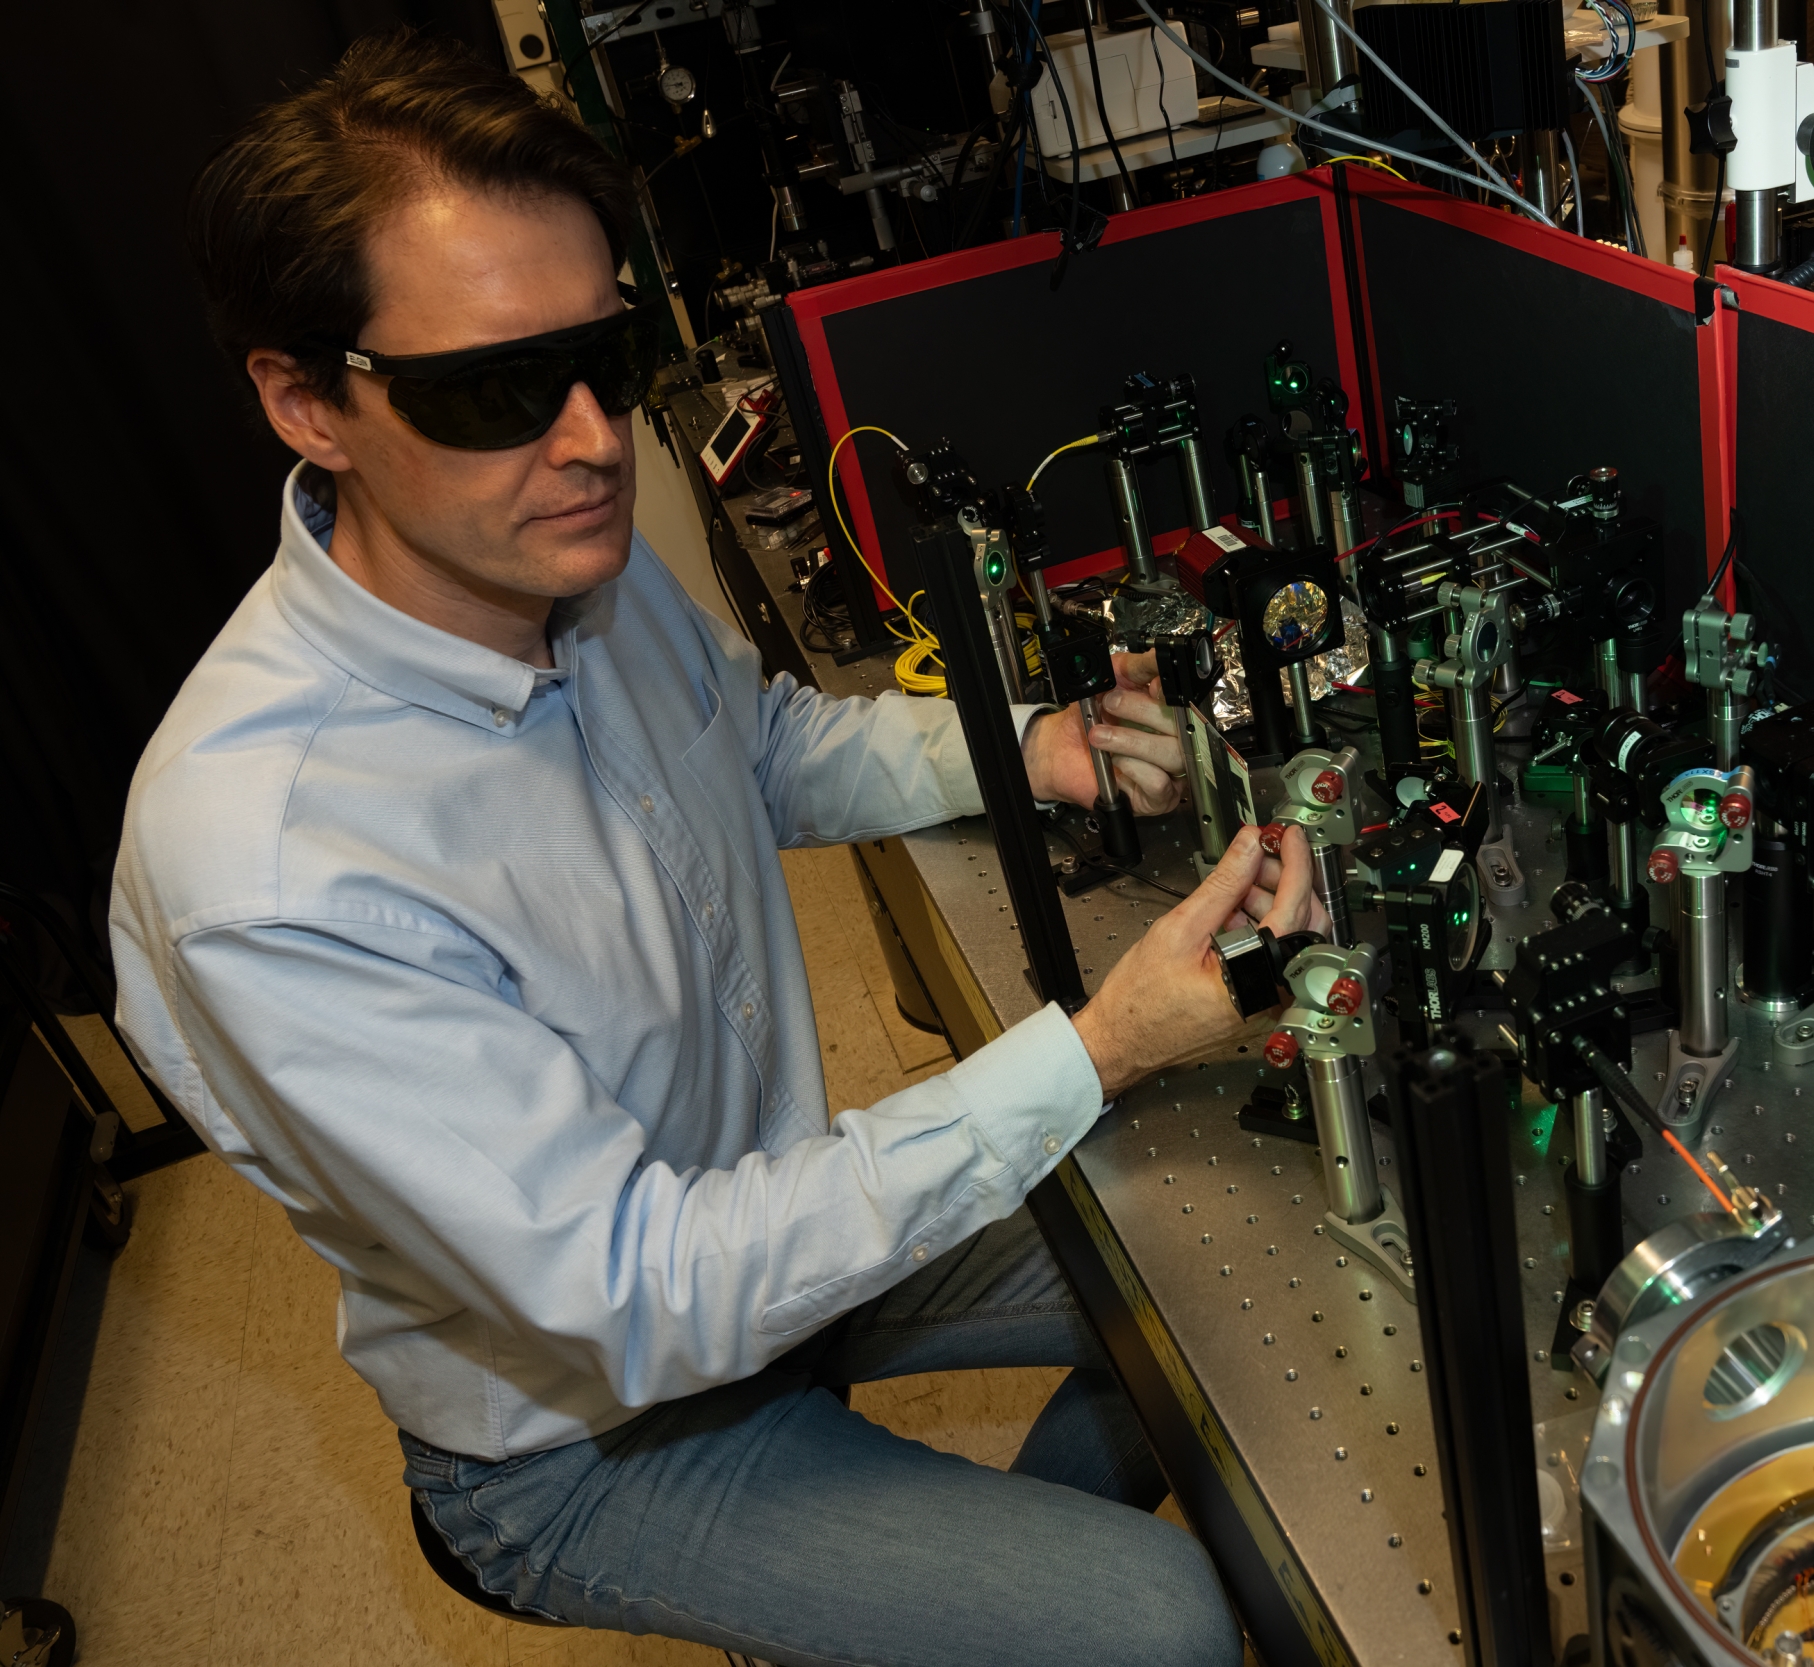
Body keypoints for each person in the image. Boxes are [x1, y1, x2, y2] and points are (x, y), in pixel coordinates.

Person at [109, 32, 1321, 1667]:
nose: (596, 441)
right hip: (588, 1422)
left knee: (1232, 1256)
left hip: (763, 1220)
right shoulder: (265, 870)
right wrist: (1095, 1048)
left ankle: (983, 1583)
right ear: (307, 400)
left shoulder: (562, 553)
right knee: (1161, 1625)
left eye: (604, 355)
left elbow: (760, 749)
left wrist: (1031, 747)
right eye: (492, 387)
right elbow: (643, 1287)